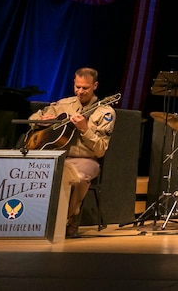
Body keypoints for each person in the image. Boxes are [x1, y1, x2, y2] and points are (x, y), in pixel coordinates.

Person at [28, 67, 115, 238]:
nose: (80, 92)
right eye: (77, 87)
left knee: (78, 176)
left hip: (85, 159)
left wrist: (85, 130)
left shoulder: (105, 112)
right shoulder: (64, 104)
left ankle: (71, 217)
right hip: (58, 156)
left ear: (95, 86)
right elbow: (33, 118)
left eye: (85, 88)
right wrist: (39, 122)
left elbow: (100, 150)